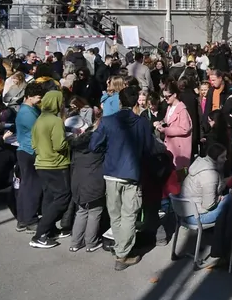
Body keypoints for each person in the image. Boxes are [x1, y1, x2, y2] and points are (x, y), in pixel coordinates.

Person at [90, 86, 155, 270]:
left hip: (111, 172)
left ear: (119, 101)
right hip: (132, 173)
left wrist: (109, 150)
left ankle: (121, 248)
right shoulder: (142, 123)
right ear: (136, 102)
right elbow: (149, 149)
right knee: (129, 214)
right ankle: (122, 252)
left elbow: (94, 145)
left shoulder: (108, 121)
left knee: (115, 213)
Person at [29, 90, 71, 249]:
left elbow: (33, 143)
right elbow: (60, 145)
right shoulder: (56, 121)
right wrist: (71, 140)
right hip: (56, 164)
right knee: (62, 198)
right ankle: (40, 234)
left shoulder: (39, 119)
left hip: (41, 163)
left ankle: (49, 230)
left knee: (49, 197)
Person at [68, 117, 105, 253]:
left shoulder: (77, 145)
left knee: (81, 211)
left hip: (78, 181)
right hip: (94, 181)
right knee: (95, 212)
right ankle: (91, 242)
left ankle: (75, 242)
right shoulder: (100, 144)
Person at [14, 82, 44, 233]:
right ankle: (30, 220)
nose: (41, 100)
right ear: (29, 97)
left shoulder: (31, 109)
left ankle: (23, 219)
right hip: (29, 151)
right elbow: (40, 130)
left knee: (27, 186)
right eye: (39, 97)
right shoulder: (27, 113)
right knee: (32, 187)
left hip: (26, 150)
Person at [181, 143, 232, 225]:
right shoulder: (210, 174)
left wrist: (224, 182)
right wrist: (220, 198)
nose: (225, 159)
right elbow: (208, 205)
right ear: (215, 158)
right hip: (198, 217)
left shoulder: (201, 165)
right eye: (222, 157)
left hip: (187, 212)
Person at [155, 81, 193, 171]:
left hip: (179, 148)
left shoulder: (182, 110)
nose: (165, 99)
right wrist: (160, 123)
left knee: (180, 174)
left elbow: (185, 129)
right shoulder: (170, 107)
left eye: (167, 96)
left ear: (175, 95)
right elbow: (167, 120)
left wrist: (166, 130)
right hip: (171, 145)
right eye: (164, 97)